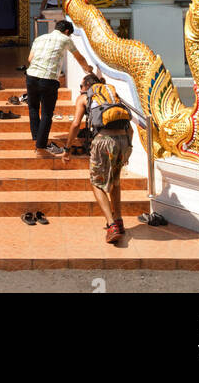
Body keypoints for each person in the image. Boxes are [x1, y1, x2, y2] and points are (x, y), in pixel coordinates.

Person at [61, 73, 135, 244]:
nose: (80, 90)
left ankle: (111, 225)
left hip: (103, 140)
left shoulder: (84, 97)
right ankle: (119, 221)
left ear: (87, 85)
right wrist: (128, 148)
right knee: (115, 181)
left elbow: (75, 124)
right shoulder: (112, 95)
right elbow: (129, 128)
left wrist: (67, 148)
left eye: (81, 86)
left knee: (96, 182)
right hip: (123, 140)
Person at [25, 19, 93, 158]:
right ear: (67, 31)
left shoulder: (40, 38)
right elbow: (79, 57)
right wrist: (88, 69)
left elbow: (30, 59)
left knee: (33, 108)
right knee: (46, 114)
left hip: (31, 76)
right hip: (48, 79)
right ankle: (40, 146)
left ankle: (37, 139)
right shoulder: (65, 39)